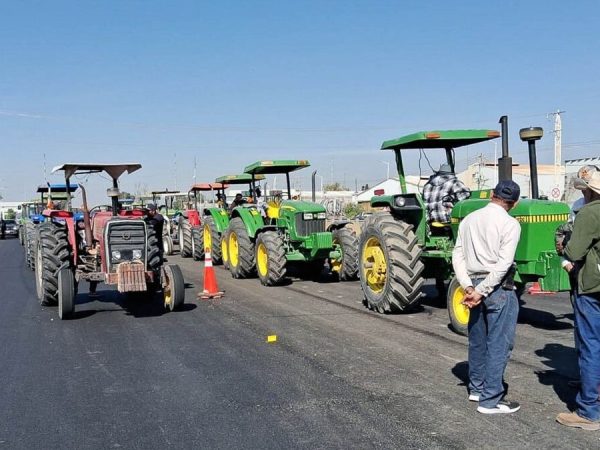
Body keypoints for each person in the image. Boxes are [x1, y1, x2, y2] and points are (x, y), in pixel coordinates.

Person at [452, 180, 522, 414]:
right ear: (514, 203)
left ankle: (477, 388)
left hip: (473, 283)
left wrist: (468, 287)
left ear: (492, 194)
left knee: (478, 339)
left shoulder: (469, 220)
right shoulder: (510, 224)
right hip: (497, 287)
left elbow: (458, 255)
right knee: (499, 343)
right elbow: (503, 264)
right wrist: (482, 291)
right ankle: (490, 400)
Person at [556, 170, 600, 431]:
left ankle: (589, 410)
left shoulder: (590, 212)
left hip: (593, 286)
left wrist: (566, 250)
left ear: (590, 190)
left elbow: (573, 251)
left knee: (590, 344)